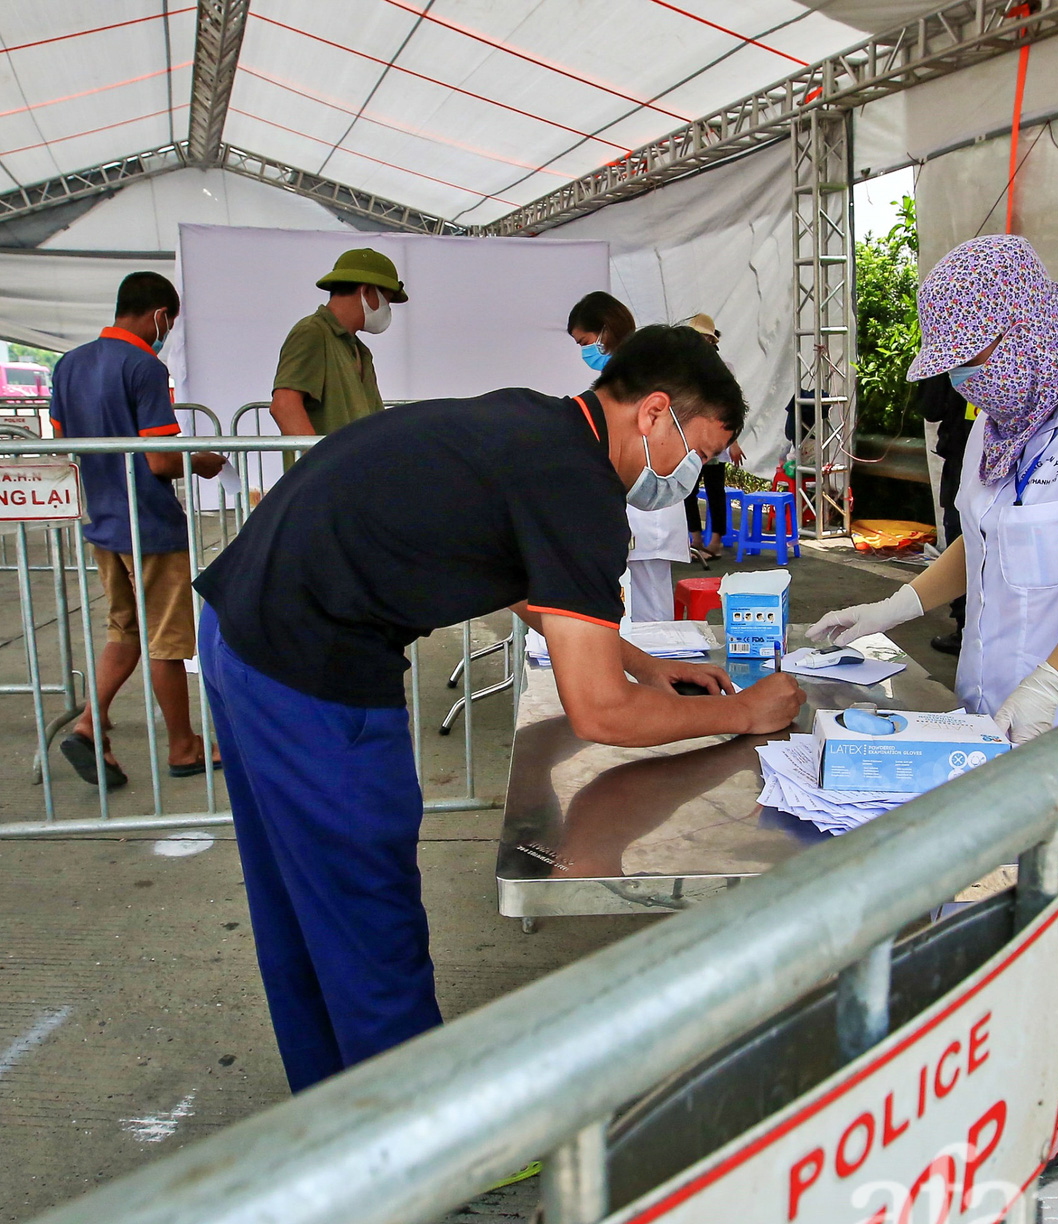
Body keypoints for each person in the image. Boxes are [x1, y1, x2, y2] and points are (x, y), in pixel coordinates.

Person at [195, 325, 805, 1091]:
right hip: (307, 662)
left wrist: (640, 659)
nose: (692, 474)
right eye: (702, 453)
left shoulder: (537, 423)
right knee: (365, 908)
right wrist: (743, 714)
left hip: (236, 621)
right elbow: (602, 717)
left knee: (297, 896)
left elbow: (512, 569)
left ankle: (329, 1109)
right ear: (655, 414)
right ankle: (421, 1143)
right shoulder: (582, 488)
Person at [810, 235, 1058, 1162]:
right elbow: (979, 546)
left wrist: (1055, 684)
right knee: (984, 889)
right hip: (993, 711)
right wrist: (896, 602)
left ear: (1024, 327)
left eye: (975, 359)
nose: (968, 384)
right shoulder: (1007, 419)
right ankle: (979, 1058)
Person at [49, 271, 227, 789]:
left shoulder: (68, 365)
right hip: (148, 525)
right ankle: (183, 745)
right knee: (168, 642)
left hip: (100, 521)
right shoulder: (144, 367)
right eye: (169, 322)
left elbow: (67, 447)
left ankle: (88, 722)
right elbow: (160, 460)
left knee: (124, 630)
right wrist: (200, 460)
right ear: (159, 316)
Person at [569, 292, 687, 621]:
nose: (584, 351)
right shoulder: (623, 376)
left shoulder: (645, 375)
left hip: (648, 504)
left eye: (585, 341)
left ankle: (658, 669)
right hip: (630, 507)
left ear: (606, 331)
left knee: (651, 611)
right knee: (629, 607)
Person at [269, 247, 403, 437]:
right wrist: (320, 461)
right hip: (332, 466)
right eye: (386, 300)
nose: (387, 308)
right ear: (366, 290)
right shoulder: (312, 333)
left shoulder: (360, 350)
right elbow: (284, 405)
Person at [915, 371, 972, 653]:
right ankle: (964, 629)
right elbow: (931, 407)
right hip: (962, 461)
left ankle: (966, 630)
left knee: (966, 541)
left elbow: (930, 407)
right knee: (962, 545)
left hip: (971, 464)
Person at [681, 313, 744, 558]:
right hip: (690, 437)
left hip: (716, 436)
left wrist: (733, 440)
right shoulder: (686, 367)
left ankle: (715, 541)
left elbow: (732, 406)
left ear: (710, 340)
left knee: (716, 489)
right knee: (687, 489)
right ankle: (695, 538)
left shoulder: (723, 368)